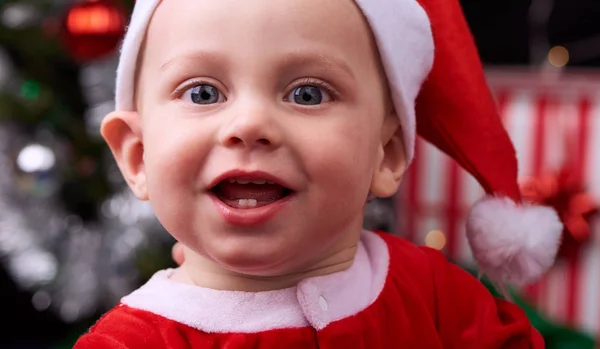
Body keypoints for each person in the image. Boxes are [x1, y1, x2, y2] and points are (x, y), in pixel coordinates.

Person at [74, 0, 564, 347]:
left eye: (307, 93)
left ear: (387, 153)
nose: (249, 125)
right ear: (137, 157)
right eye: (203, 92)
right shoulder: (134, 342)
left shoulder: (437, 296)